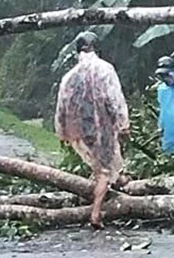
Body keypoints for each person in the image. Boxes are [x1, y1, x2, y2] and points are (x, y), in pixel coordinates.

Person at [55, 31, 130, 228]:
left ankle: (119, 182)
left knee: (103, 166)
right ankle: (96, 213)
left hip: (78, 130)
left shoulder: (69, 77)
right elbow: (114, 98)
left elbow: (61, 105)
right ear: (95, 47)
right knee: (104, 169)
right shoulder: (105, 70)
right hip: (101, 128)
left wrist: (61, 131)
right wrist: (123, 124)